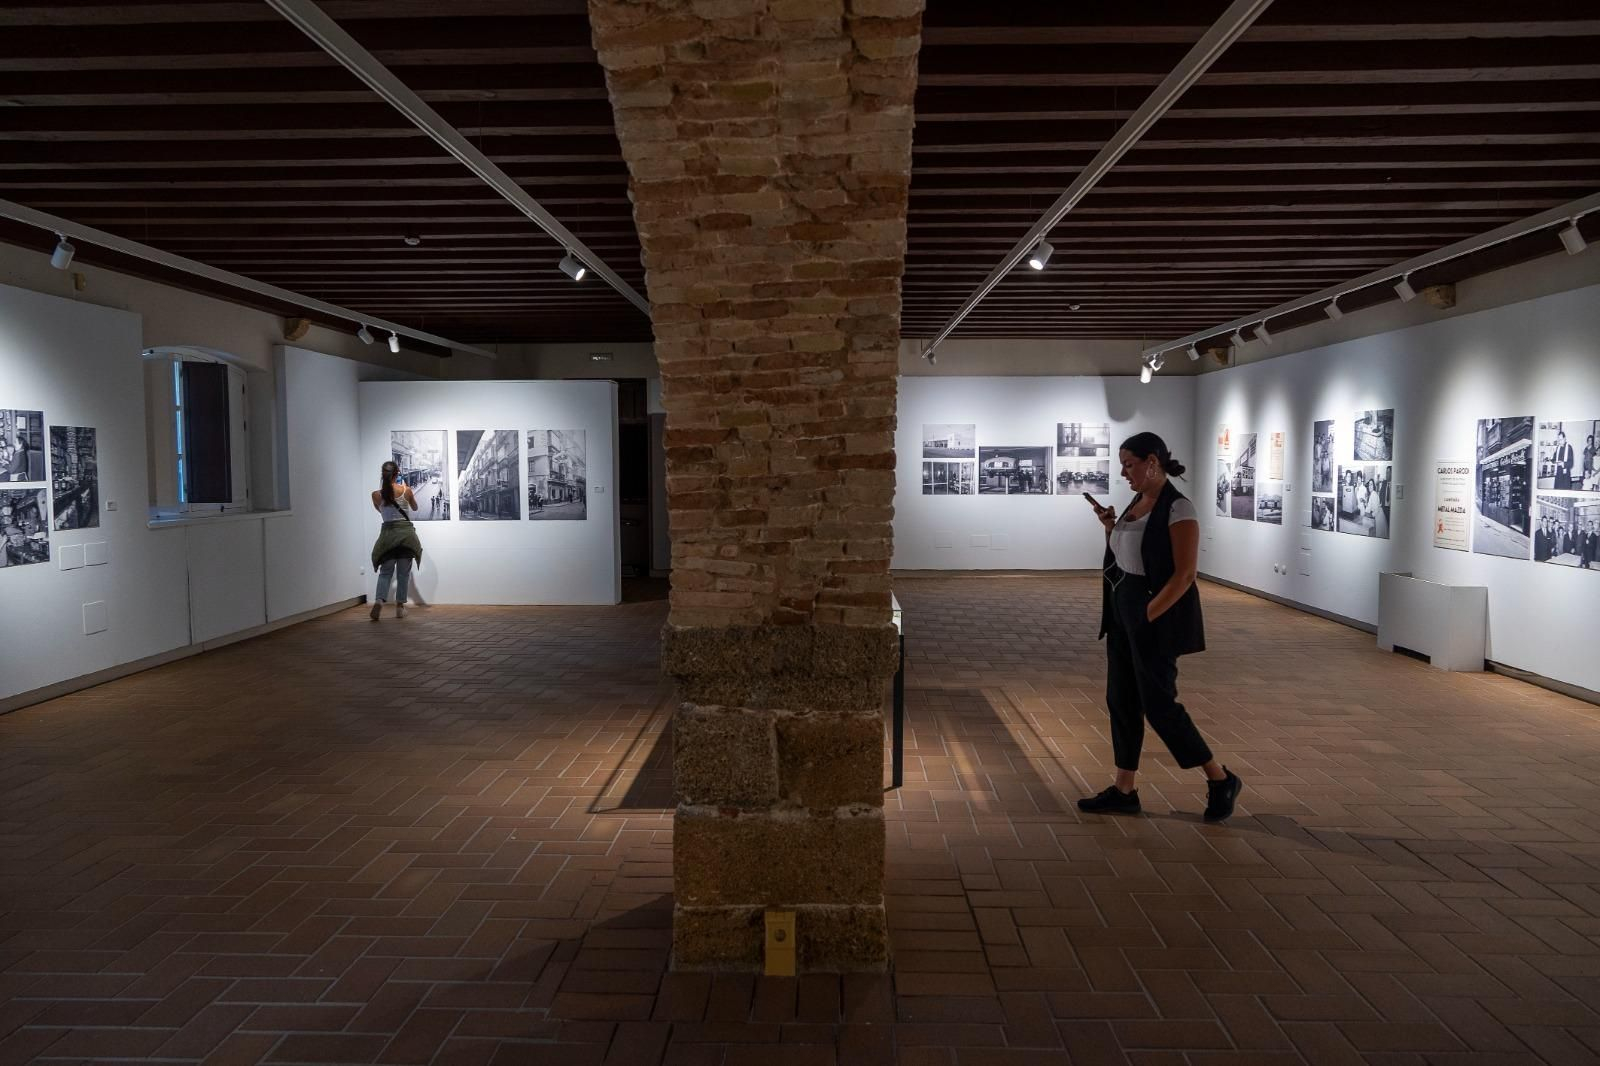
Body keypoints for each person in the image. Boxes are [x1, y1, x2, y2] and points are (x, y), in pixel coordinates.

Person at [1078, 432, 1242, 822]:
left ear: (1152, 462)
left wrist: (1146, 616)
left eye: (1129, 464)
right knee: (1121, 700)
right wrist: (1109, 527)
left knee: (1160, 706)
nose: (1123, 472)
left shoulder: (1178, 508)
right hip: (1121, 614)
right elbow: (1130, 556)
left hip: (1152, 617)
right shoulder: (1138, 501)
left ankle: (1220, 778)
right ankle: (1124, 788)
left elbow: (1184, 576)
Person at [369, 460, 423, 620]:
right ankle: (400, 607)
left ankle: (379, 601)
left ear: (383, 475)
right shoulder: (406, 490)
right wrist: (406, 490)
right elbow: (415, 508)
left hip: (388, 536)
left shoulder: (376, 495)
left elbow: (381, 511)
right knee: (403, 574)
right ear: (397, 473)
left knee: (385, 572)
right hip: (406, 536)